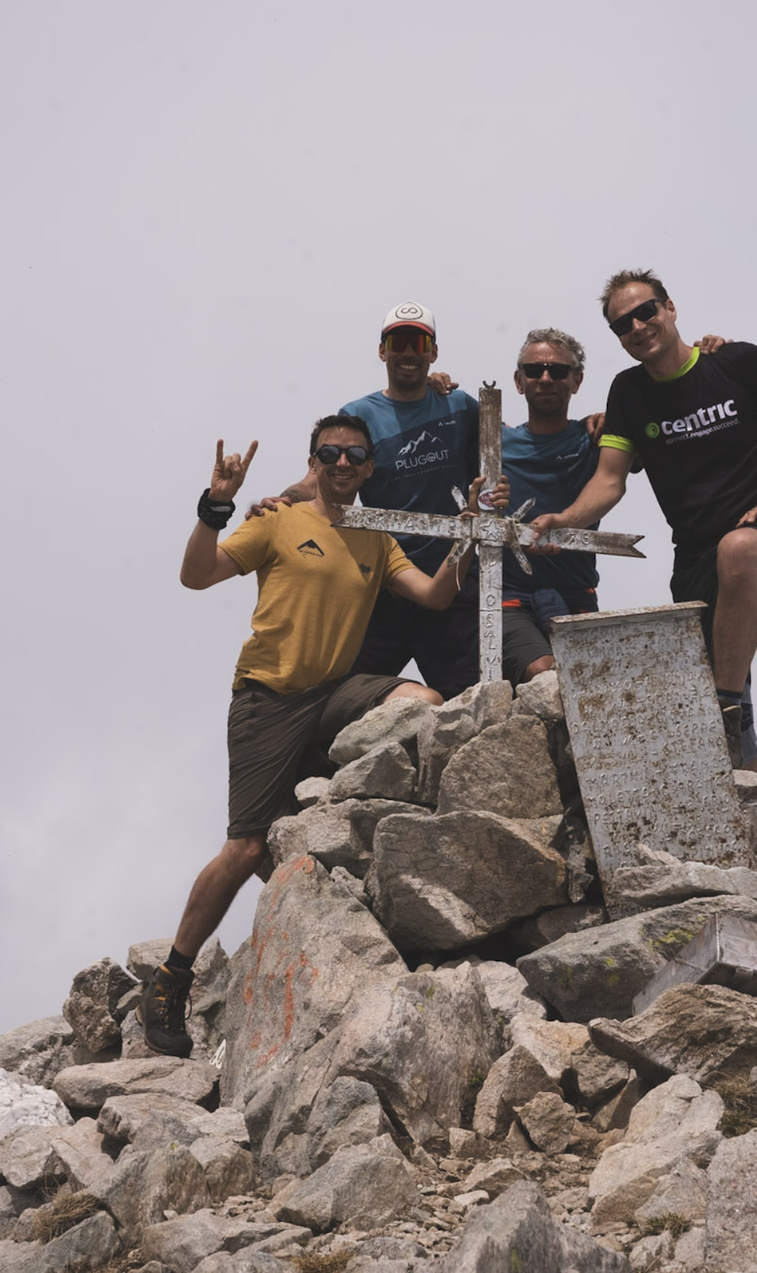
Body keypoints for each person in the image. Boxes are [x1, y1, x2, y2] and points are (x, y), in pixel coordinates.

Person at [143, 415, 484, 1058]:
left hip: (332, 696)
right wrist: (215, 505)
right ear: (314, 461)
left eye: (354, 454)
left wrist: (467, 538)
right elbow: (197, 574)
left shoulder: (373, 537)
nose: (342, 463)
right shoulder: (278, 518)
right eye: (330, 453)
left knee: (424, 701)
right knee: (244, 850)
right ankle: (172, 976)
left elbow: (435, 596)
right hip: (267, 699)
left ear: (369, 467)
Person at [530, 270, 757, 808]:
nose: (638, 327)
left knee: (735, 562)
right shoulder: (630, 392)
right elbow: (610, 479)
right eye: (622, 325)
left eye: (646, 312)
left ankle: (723, 709)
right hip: (692, 564)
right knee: (736, 715)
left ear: (670, 308)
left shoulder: (738, 364)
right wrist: (568, 520)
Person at [273, 303, 486, 699]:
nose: (408, 352)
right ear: (382, 350)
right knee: (338, 693)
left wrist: (586, 426)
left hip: (452, 579)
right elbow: (324, 479)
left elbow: (504, 450)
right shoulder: (358, 415)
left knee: (466, 703)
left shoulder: (459, 406)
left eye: (418, 342)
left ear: (433, 352)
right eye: (398, 342)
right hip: (383, 579)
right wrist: (285, 500)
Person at [498, 327, 604, 683]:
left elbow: (664, 407)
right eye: (534, 370)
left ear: (577, 381)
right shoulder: (491, 441)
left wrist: (708, 351)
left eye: (558, 371)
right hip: (510, 597)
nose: (545, 378)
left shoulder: (597, 439)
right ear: (518, 380)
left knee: (590, 689)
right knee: (544, 674)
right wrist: (437, 383)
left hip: (577, 594)